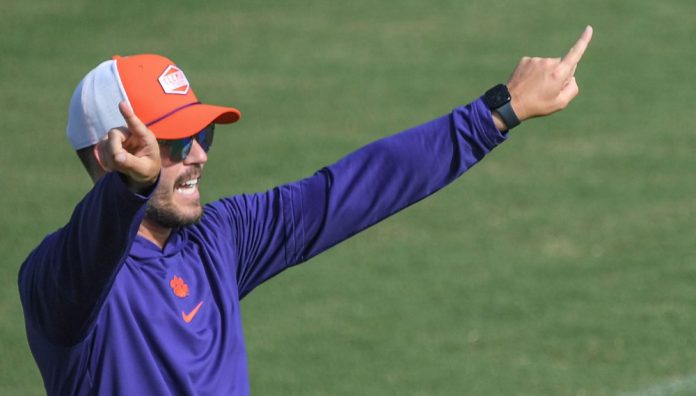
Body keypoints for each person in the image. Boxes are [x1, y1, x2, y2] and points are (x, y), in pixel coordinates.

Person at [18, 26, 593, 395]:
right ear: (109, 152)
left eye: (202, 136)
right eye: (170, 143)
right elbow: (91, 252)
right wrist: (127, 191)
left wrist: (497, 114)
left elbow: (348, 189)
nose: (196, 155)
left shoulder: (219, 239)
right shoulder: (57, 281)